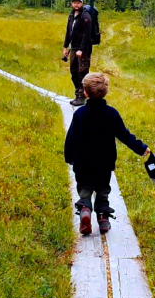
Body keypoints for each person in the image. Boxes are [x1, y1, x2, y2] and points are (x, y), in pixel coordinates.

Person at [64, 73, 150, 235]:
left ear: (85, 92)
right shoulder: (111, 114)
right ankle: (103, 220)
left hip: (83, 163)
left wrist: (69, 156)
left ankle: (85, 209)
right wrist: (141, 148)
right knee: (103, 191)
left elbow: (71, 138)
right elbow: (124, 135)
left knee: (84, 189)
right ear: (106, 92)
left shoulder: (80, 114)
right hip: (104, 164)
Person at [62, 0, 93, 106]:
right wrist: (65, 47)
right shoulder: (71, 16)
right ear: (71, 3)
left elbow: (87, 35)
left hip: (83, 49)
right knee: (74, 72)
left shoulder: (85, 17)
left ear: (82, 3)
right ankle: (77, 95)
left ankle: (83, 96)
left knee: (82, 72)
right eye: (74, 2)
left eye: (78, 2)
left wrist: (81, 49)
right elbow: (68, 32)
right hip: (73, 48)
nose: (76, 4)